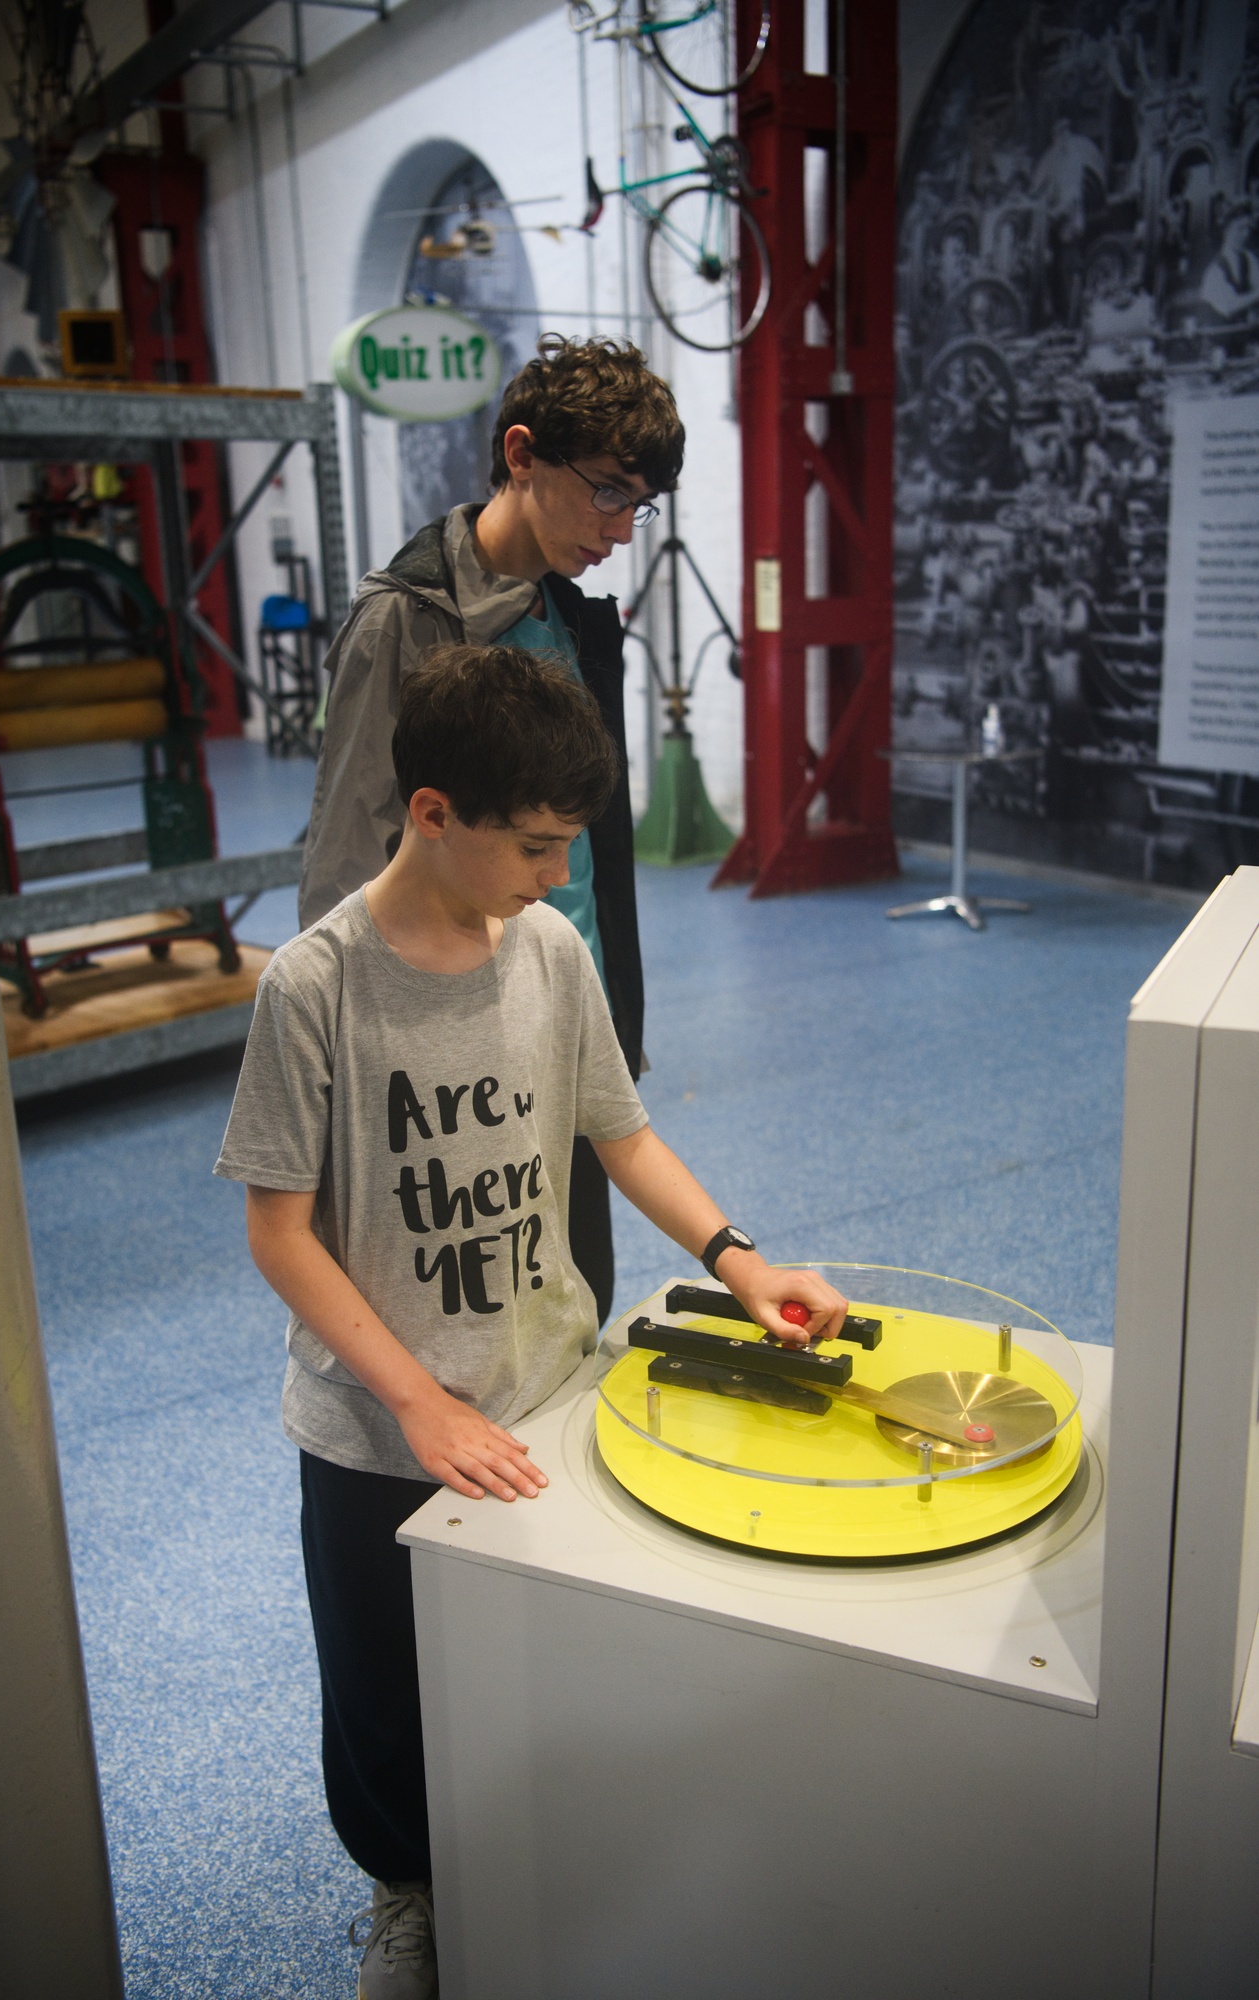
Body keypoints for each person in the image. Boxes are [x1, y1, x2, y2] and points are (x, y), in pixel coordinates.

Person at [217, 645, 848, 1999]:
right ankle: (407, 1889)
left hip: (545, 1389)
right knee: (384, 1697)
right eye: (535, 846)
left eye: (569, 845)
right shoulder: (314, 986)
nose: (558, 877)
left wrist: (738, 1261)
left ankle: (540, 1860)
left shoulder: (551, 952)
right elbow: (279, 1231)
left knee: (538, 1664)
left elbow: (619, 1133)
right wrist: (413, 1400)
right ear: (432, 812)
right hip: (375, 1433)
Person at [298, 334, 685, 1332]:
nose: (622, 528)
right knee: (464, 1318)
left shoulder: (572, 616)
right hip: (449, 1038)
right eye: (607, 492)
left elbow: (588, 855)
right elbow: (344, 860)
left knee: (573, 1297)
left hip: (568, 1008)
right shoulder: (404, 618)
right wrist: (346, 1077)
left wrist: (616, 1020)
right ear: (521, 454)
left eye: (639, 505)